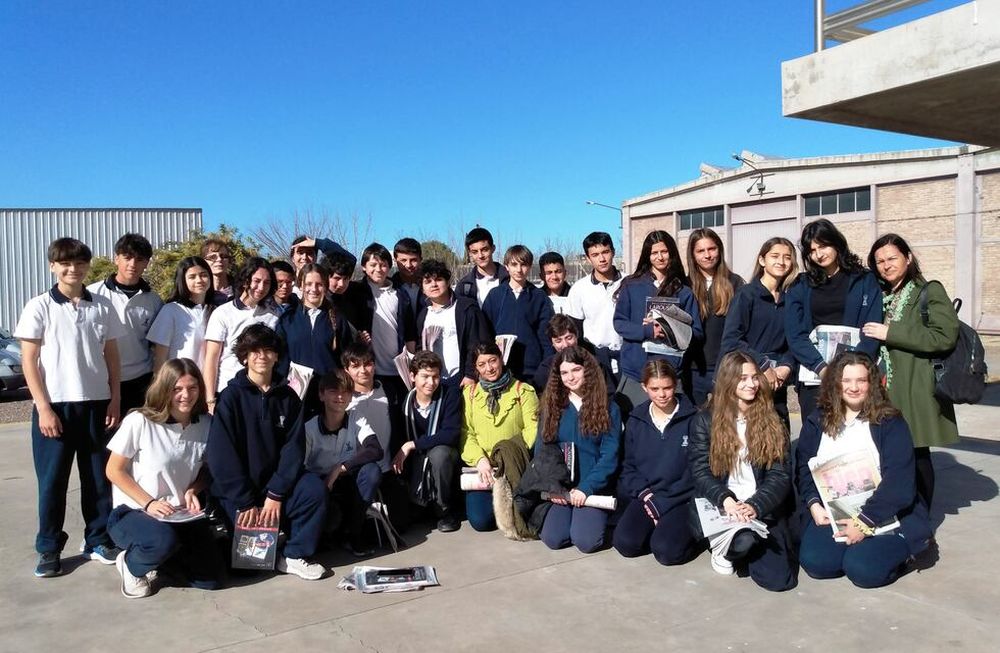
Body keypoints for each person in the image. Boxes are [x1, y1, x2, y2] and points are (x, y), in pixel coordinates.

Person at [16, 237, 125, 577]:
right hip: (56, 408)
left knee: (97, 478)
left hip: (95, 405)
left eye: (79, 263)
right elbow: (29, 361)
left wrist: (115, 398)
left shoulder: (102, 307)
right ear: (53, 266)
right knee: (52, 482)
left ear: (87, 267)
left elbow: (111, 356)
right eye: (65, 263)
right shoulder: (39, 306)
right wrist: (43, 407)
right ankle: (49, 548)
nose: (72, 269)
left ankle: (98, 538)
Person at [796, 351, 932, 588]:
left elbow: (900, 482)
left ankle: (905, 553)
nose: (854, 387)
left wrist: (864, 522)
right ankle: (855, 550)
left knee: (863, 571)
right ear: (836, 383)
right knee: (817, 563)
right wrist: (813, 503)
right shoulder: (818, 420)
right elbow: (803, 465)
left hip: (884, 516)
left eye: (861, 380)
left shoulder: (890, 422)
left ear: (872, 384)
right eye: (846, 380)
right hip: (835, 514)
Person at [206, 324, 328, 580]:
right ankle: (234, 537)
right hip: (241, 492)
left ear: (276, 356)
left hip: (275, 488)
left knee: (314, 489)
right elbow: (221, 455)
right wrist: (245, 501)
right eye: (255, 350)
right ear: (244, 356)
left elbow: (293, 449)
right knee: (248, 569)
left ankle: (293, 555)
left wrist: (276, 493)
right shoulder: (230, 398)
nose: (262, 356)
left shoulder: (289, 397)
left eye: (268, 350)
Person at [105, 358, 222, 598]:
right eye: (177, 389)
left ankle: (162, 561)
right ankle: (131, 565)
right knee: (161, 540)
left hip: (180, 515)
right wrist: (149, 503)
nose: (185, 395)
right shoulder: (139, 421)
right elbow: (113, 470)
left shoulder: (206, 424)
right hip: (134, 512)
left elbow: (208, 469)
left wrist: (194, 489)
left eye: (192, 388)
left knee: (212, 578)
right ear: (164, 389)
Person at [862, 234, 959, 508]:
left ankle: (923, 514)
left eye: (892, 258)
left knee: (916, 454)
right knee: (889, 454)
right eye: (879, 261)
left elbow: (943, 336)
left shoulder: (928, 290)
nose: (886, 265)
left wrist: (890, 332)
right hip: (884, 387)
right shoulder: (881, 294)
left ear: (908, 258)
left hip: (914, 386)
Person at [687, 351, 797, 591]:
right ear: (728, 381)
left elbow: (780, 474)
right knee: (744, 541)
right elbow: (700, 471)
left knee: (779, 580)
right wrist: (726, 500)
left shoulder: (772, 418)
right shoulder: (705, 421)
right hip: (723, 505)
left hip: (759, 506)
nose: (752, 384)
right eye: (743, 378)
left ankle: (749, 547)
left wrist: (756, 505)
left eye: (755, 377)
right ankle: (726, 551)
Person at [785, 219, 882, 419]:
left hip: (855, 374)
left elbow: (871, 329)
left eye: (823, 246)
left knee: (855, 434)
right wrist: (822, 368)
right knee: (815, 437)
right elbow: (795, 334)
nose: (818, 254)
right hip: (815, 375)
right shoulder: (800, 285)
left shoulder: (864, 280)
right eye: (811, 250)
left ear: (836, 243)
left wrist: (853, 370)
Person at [534, 346, 621, 553]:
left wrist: (586, 487)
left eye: (575, 370)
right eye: (564, 372)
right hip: (561, 489)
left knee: (585, 542)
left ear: (587, 370)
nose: (570, 377)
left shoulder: (609, 407)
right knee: (553, 539)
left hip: (591, 489)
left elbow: (610, 455)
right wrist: (554, 485)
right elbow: (542, 449)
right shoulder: (552, 406)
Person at [613, 360, 698, 565]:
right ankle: (660, 531)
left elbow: (700, 469)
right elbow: (629, 466)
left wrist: (666, 502)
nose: (661, 394)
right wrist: (645, 495)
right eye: (655, 389)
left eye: (667, 387)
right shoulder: (636, 420)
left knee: (667, 553)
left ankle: (695, 536)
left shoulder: (694, 419)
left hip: (682, 499)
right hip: (649, 496)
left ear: (676, 384)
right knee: (625, 544)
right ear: (644, 387)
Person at [613, 230, 702, 413]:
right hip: (636, 373)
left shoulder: (683, 290)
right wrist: (647, 331)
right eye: (654, 253)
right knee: (634, 426)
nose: (660, 257)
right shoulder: (631, 285)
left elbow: (697, 333)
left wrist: (672, 329)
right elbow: (619, 323)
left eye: (664, 252)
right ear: (647, 255)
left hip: (670, 374)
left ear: (672, 254)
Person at [720, 237, 798, 428]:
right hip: (747, 382)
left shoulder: (792, 298)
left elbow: (795, 339)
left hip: (777, 383)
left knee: (779, 441)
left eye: (787, 257)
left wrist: (786, 366)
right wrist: (763, 366)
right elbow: (731, 340)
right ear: (762, 260)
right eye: (775, 256)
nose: (781, 261)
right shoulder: (747, 295)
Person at [460, 343, 539, 532]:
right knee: (481, 522)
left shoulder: (523, 391)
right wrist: (479, 459)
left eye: (492, 361)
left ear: (501, 359)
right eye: (482, 364)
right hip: (485, 470)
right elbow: (466, 433)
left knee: (522, 513)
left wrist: (509, 455)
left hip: (516, 466)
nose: (489, 368)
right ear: (476, 368)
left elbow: (533, 429)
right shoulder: (469, 395)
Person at [343, 242, 417, 444]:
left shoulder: (399, 294)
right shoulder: (357, 291)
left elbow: (410, 333)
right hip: (370, 369)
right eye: (373, 265)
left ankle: (399, 467)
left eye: (383, 264)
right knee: (372, 421)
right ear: (364, 267)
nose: (378, 269)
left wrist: (412, 366)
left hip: (398, 370)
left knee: (400, 419)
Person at [304, 370, 383, 556]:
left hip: (346, 478)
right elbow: (301, 467)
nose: (341, 397)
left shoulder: (356, 417)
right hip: (321, 485)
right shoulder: (309, 428)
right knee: (330, 517)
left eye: (346, 392)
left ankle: (353, 534)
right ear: (321, 395)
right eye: (334, 391)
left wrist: (341, 468)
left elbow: (375, 449)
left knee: (372, 472)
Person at [88, 233, 164, 415]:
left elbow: (157, 346)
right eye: (127, 258)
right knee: (106, 439)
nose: (132, 265)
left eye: (139, 259)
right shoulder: (92, 295)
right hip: (102, 381)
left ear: (147, 263)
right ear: (116, 259)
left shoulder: (154, 301)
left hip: (140, 382)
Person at [392, 351, 462, 532]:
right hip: (418, 460)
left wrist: (412, 444)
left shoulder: (449, 395)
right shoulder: (405, 402)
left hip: (445, 457)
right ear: (412, 376)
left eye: (435, 376)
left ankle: (445, 509)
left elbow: (450, 434)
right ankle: (419, 502)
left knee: (439, 454)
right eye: (425, 376)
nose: (431, 383)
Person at [276, 263, 354, 415]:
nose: (314, 289)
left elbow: (346, 357)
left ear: (325, 286)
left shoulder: (337, 319)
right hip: (296, 395)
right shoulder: (288, 319)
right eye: (309, 284)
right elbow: (280, 359)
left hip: (330, 395)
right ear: (301, 285)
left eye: (319, 284)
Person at [203, 257, 279, 404]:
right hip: (228, 392)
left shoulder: (275, 315)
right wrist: (210, 399)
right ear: (245, 281)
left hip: (263, 393)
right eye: (256, 281)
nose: (261, 287)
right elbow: (211, 359)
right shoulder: (223, 312)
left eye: (267, 283)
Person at [684, 228, 744, 406]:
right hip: (693, 369)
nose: (707, 255)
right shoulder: (684, 285)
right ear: (693, 255)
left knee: (726, 426)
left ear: (720, 250)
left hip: (726, 366)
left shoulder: (735, 283)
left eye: (712, 249)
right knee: (696, 425)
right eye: (701, 251)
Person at [415, 258, 493, 388]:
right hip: (434, 382)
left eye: (439, 279)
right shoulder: (424, 315)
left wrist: (470, 374)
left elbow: (479, 343)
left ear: (448, 282)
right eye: (428, 282)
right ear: (422, 289)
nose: (434, 285)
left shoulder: (466, 308)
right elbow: (420, 348)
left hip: (462, 379)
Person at [481, 245, 554, 382]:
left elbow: (546, 337)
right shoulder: (495, 295)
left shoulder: (539, 297)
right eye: (514, 264)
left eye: (524, 264)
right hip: (500, 369)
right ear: (506, 266)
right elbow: (486, 334)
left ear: (530, 266)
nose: (519, 270)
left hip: (532, 370)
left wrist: (546, 368)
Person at [567, 231, 623, 373]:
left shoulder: (629, 282)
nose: (602, 259)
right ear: (588, 258)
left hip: (626, 355)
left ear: (613, 252)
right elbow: (575, 329)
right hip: (594, 358)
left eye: (605, 252)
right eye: (595, 255)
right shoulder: (579, 288)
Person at [148, 256, 216, 371]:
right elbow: (160, 356)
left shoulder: (215, 311)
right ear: (183, 280)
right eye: (192, 277)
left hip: (208, 382)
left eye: (203, 275)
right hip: (179, 381)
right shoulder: (171, 310)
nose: (199, 280)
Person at [531, 315, 615, 399]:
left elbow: (609, 394)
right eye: (558, 341)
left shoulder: (593, 362)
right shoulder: (546, 369)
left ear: (576, 336)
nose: (565, 345)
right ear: (552, 343)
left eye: (569, 338)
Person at [455, 227, 509, 306]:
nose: (480, 255)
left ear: (493, 248)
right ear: (469, 253)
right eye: (475, 252)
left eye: (484, 250)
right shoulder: (463, 287)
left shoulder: (510, 278)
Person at [391, 237, 424, 314]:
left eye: (413, 260)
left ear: (420, 260)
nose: (408, 265)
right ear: (395, 261)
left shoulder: (432, 286)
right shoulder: (389, 288)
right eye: (403, 260)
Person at [200, 238, 235, 303]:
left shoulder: (241, 290)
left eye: (223, 256)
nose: (219, 259)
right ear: (203, 262)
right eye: (213, 257)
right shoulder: (199, 293)